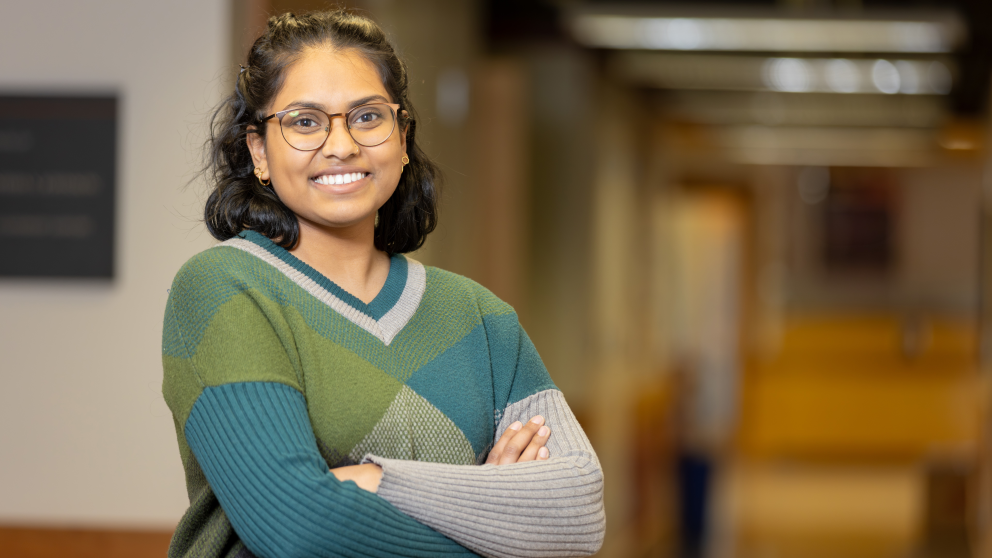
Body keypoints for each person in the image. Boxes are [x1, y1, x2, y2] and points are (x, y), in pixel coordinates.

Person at [162, 9, 604, 558]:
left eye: (367, 117)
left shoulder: (480, 317)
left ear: (402, 136)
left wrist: (371, 480)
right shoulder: (224, 290)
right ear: (258, 151)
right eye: (304, 122)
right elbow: (297, 529)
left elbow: (577, 515)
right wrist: (496, 524)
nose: (342, 145)